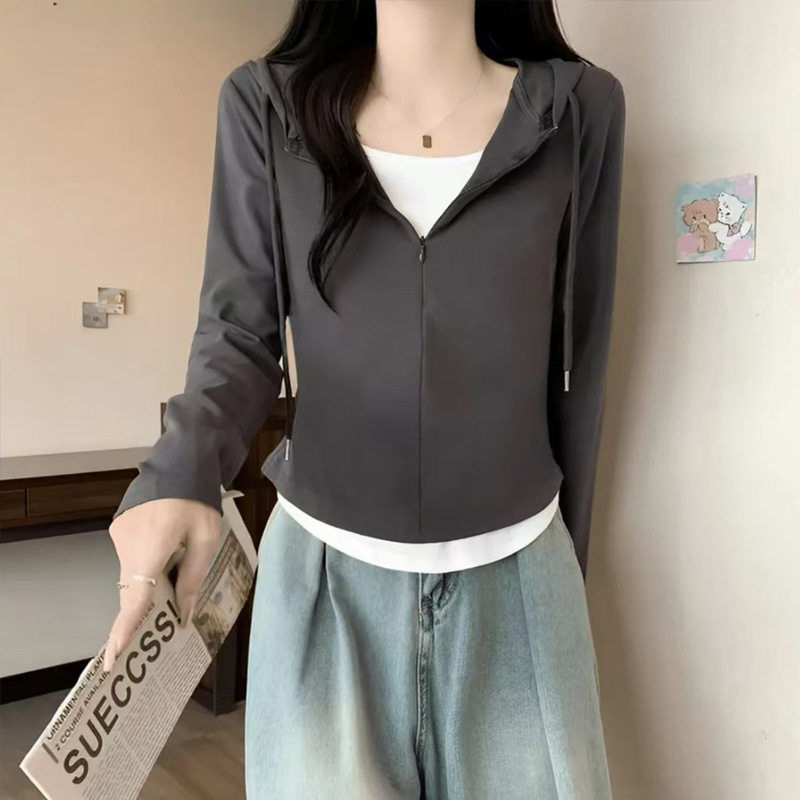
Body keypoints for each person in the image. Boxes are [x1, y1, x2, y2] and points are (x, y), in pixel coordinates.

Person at [104, 0, 626, 797]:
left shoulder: (579, 109)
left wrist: (565, 566)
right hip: (321, 585)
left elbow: (580, 365)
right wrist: (181, 471)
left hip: (521, 577)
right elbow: (238, 331)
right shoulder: (265, 107)